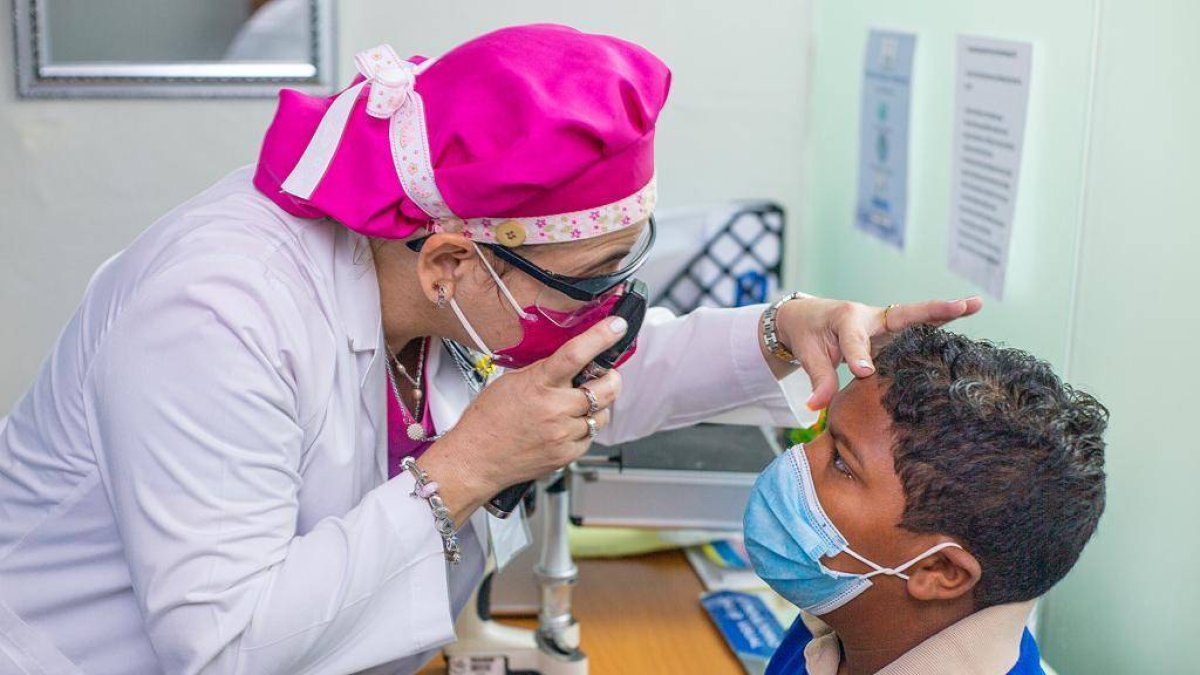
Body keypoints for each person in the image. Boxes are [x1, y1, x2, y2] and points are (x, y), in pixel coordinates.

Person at [0, 24, 981, 675]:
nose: (612, 307)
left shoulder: (420, 262)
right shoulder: (215, 316)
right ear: (451, 264)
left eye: (622, 266)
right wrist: (463, 471)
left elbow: (583, 383)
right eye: (590, 280)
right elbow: (218, 648)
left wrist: (776, 330)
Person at [745, 325, 1108, 675]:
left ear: (939, 571)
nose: (797, 457)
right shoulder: (843, 620)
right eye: (821, 433)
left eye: (842, 462)